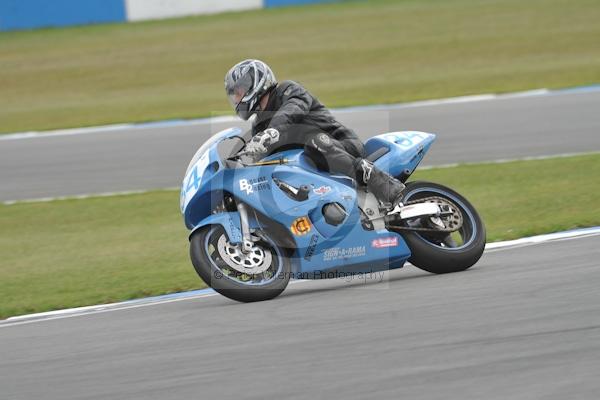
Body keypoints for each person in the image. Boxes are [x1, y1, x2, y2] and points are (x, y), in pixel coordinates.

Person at [224, 59, 405, 209]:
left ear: (255, 83)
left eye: (239, 92)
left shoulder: (287, 90)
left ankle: (384, 184)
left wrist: (272, 132)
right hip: (313, 165)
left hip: (341, 143)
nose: (237, 99)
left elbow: (292, 110)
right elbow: (265, 161)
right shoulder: (259, 126)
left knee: (315, 143)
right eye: (234, 95)